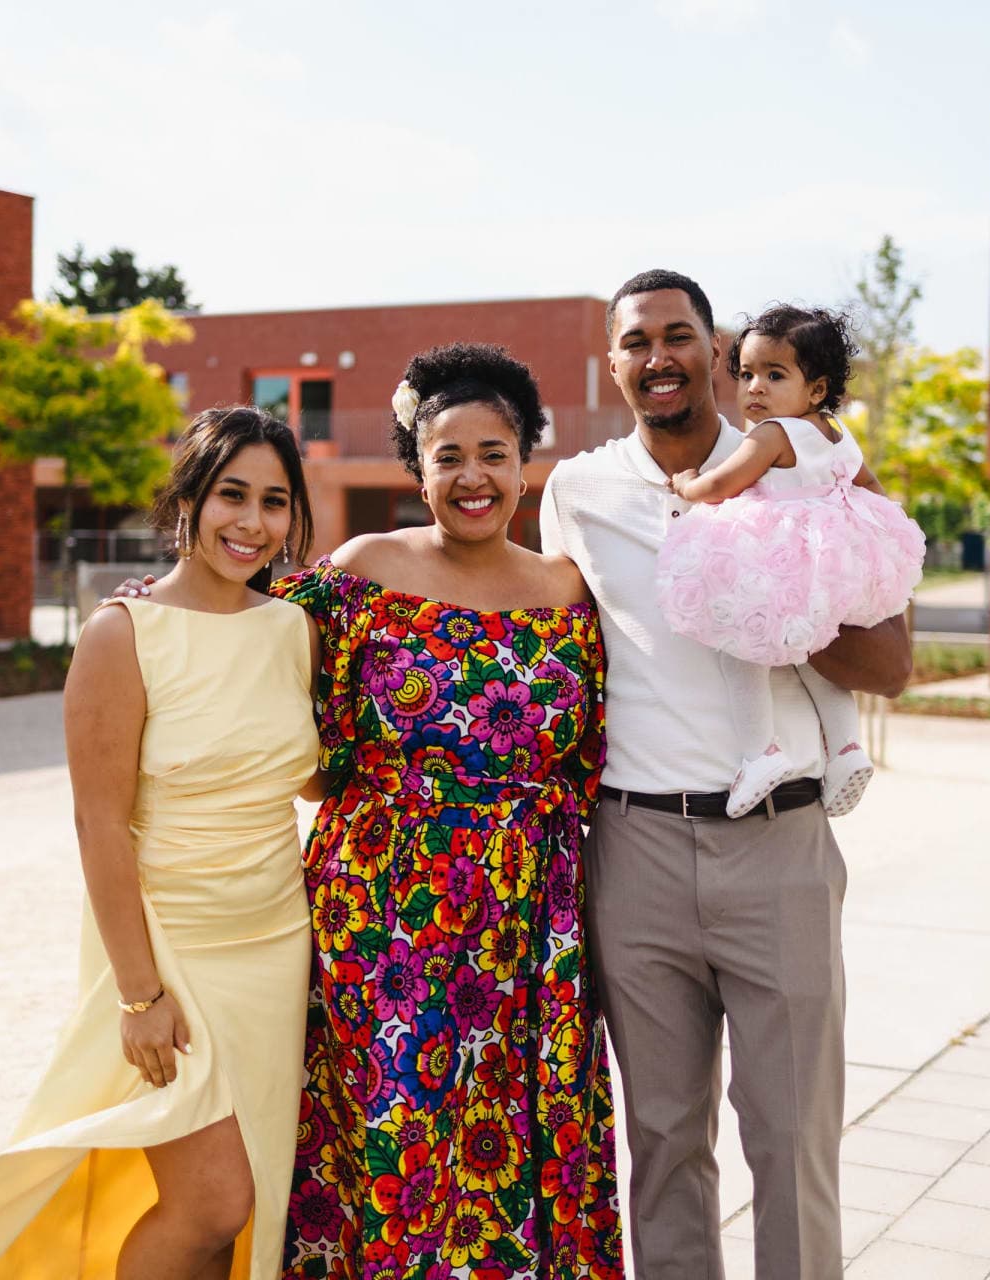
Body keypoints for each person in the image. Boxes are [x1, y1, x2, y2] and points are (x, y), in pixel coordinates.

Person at [0, 406, 323, 1280]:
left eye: (274, 502)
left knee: (250, 1205)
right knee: (213, 1199)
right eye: (232, 494)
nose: (253, 522)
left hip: (276, 948)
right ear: (187, 500)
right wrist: (138, 993)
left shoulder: (292, 630)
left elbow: (302, 776)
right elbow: (97, 824)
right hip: (169, 952)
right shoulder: (123, 634)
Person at [540, 270, 912, 1279]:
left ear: (718, 349)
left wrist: (780, 600)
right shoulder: (578, 491)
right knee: (662, 1140)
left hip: (779, 848)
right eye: (636, 341)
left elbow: (893, 665)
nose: (658, 356)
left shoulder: (818, 469)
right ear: (612, 363)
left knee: (793, 1141)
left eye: (679, 335)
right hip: (637, 849)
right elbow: (552, 652)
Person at [272, 343, 624, 1276]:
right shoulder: (360, 571)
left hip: (528, 920)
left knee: (521, 1142)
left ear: (525, 463)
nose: (473, 476)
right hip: (383, 910)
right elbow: (262, 687)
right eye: (449, 456)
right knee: (395, 1138)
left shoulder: (567, 593)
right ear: (418, 471)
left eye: (494, 453)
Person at [656, 303, 924, 818]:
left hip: (774, 558)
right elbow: (869, 485)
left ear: (816, 388)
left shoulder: (772, 435)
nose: (755, 387)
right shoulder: (838, 434)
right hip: (825, 566)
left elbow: (719, 487)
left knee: (741, 647)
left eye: (774, 375)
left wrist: (686, 482)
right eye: (747, 374)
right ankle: (846, 748)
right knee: (813, 654)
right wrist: (873, 529)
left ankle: (760, 752)